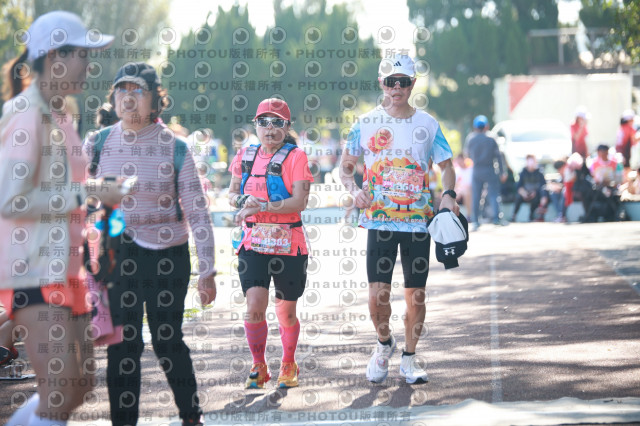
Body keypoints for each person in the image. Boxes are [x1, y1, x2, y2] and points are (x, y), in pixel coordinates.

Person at [0, 11, 122, 426]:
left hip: (67, 269)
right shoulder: (25, 113)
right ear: (54, 56)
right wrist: (88, 193)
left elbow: (66, 188)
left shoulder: (61, 115)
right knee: (59, 390)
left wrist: (99, 191)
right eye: (82, 54)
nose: (89, 65)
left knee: (79, 385)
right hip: (33, 271)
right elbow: (11, 200)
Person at [84, 62, 216, 426]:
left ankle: (191, 416)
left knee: (166, 338)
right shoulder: (97, 143)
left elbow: (198, 212)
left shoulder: (176, 147)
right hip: (117, 251)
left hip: (167, 255)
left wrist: (208, 270)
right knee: (123, 344)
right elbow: (76, 195)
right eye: (121, 90)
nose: (128, 98)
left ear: (155, 100)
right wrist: (104, 191)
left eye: (137, 90)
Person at [339, 54, 459, 384]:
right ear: (382, 84)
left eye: (403, 82)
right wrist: (354, 190)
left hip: (417, 223)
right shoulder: (364, 123)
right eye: (391, 82)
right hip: (379, 222)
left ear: (412, 84)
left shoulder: (428, 125)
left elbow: (447, 167)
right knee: (376, 297)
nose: (397, 88)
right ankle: (383, 344)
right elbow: (345, 168)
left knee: (415, 296)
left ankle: (409, 357)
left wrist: (449, 195)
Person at [228, 98, 312, 389]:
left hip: (289, 243)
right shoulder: (245, 156)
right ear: (256, 125)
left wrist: (263, 206)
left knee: (286, 311)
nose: (270, 128)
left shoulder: (297, 157)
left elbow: (300, 202)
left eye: (278, 122)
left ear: (287, 127)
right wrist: (243, 201)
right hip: (253, 242)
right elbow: (231, 194)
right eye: (264, 122)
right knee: (254, 305)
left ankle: (288, 362)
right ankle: (258, 365)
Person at [467, 115, 507, 230]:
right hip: (490, 168)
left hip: (477, 170)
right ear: (486, 126)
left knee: (476, 195)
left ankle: (476, 220)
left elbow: (467, 154)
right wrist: (502, 172)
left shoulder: (471, 139)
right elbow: (498, 156)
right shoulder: (491, 138)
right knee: (493, 194)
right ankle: (496, 218)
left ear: (475, 127)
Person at [511, 155, 549, 222]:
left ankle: (532, 216)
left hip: (535, 195)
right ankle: (514, 215)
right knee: (518, 197)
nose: (531, 163)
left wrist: (535, 192)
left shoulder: (539, 173)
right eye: (529, 160)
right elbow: (519, 186)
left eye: (532, 160)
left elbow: (543, 186)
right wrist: (524, 193)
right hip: (525, 194)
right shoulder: (523, 172)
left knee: (536, 199)